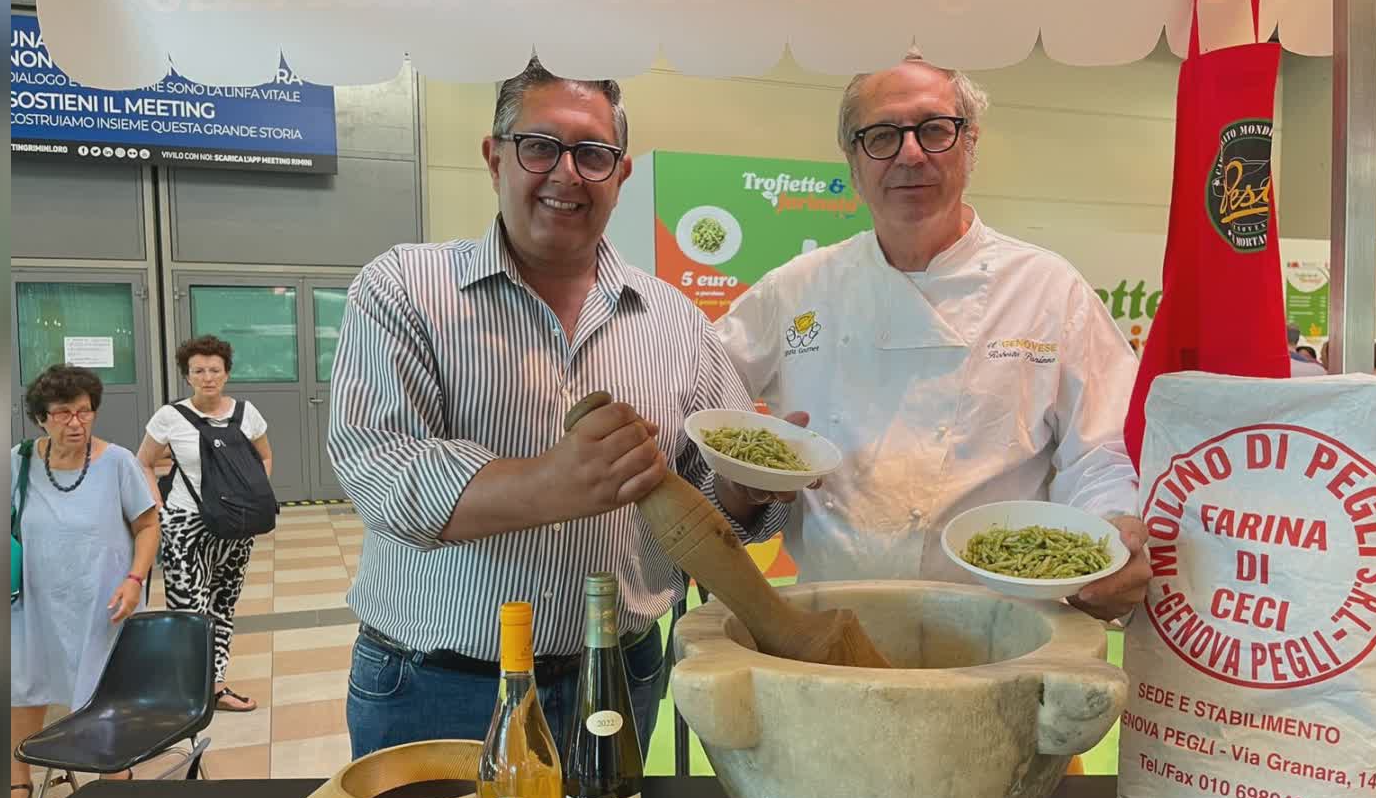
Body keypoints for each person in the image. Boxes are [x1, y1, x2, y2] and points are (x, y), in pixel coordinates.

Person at [329, 59, 790, 759]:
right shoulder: (404, 288)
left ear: (621, 174)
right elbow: (382, 474)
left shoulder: (674, 319)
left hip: (621, 676)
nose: (567, 173)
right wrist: (552, 483)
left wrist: (744, 489)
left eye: (593, 154)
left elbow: (706, 499)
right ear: (494, 157)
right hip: (439, 688)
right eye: (540, 146)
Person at [715, 54, 1151, 623]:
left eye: (935, 130)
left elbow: (1101, 451)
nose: (910, 154)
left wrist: (1111, 527)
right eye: (882, 136)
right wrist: (743, 480)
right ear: (853, 159)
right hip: (831, 626)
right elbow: (701, 393)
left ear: (970, 145)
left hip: (1004, 626)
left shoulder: (1047, 288)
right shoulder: (796, 289)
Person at [12, 365, 160, 798]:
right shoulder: (16, 463)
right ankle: (18, 779)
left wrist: (135, 580)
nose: (75, 423)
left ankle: (110, 770)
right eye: (62, 414)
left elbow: (148, 525)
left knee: (97, 689)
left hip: (100, 601)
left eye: (84, 412)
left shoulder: (117, 463)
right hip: (31, 601)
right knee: (23, 685)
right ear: (41, 418)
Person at [136, 335, 274, 713]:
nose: (208, 377)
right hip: (186, 524)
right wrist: (160, 506)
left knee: (223, 603)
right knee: (187, 606)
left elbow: (264, 458)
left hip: (235, 525)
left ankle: (215, 686)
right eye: (199, 370)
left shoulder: (247, 414)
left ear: (226, 374)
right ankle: (185, 689)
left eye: (215, 370)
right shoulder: (170, 417)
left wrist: (251, 496)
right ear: (188, 375)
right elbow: (143, 461)